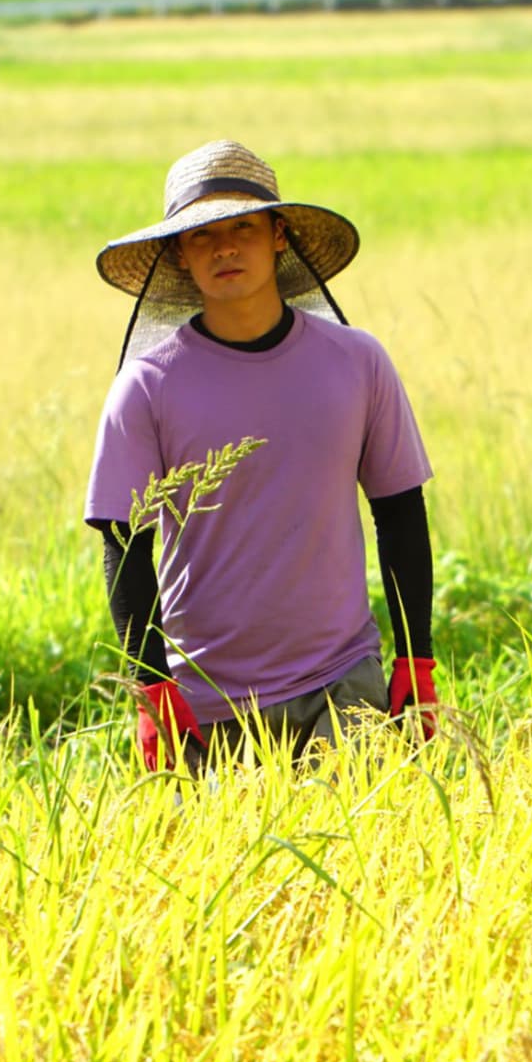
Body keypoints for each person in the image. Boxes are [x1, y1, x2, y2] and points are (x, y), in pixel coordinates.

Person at [84, 140, 439, 771]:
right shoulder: (147, 387)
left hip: (343, 684)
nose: (224, 247)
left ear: (278, 234)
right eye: (202, 235)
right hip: (205, 701)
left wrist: (416, 655)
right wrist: (152, 687)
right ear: (180, 254)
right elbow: (123, 543)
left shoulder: (358, 362)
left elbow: (400, 511)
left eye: (242, 227)